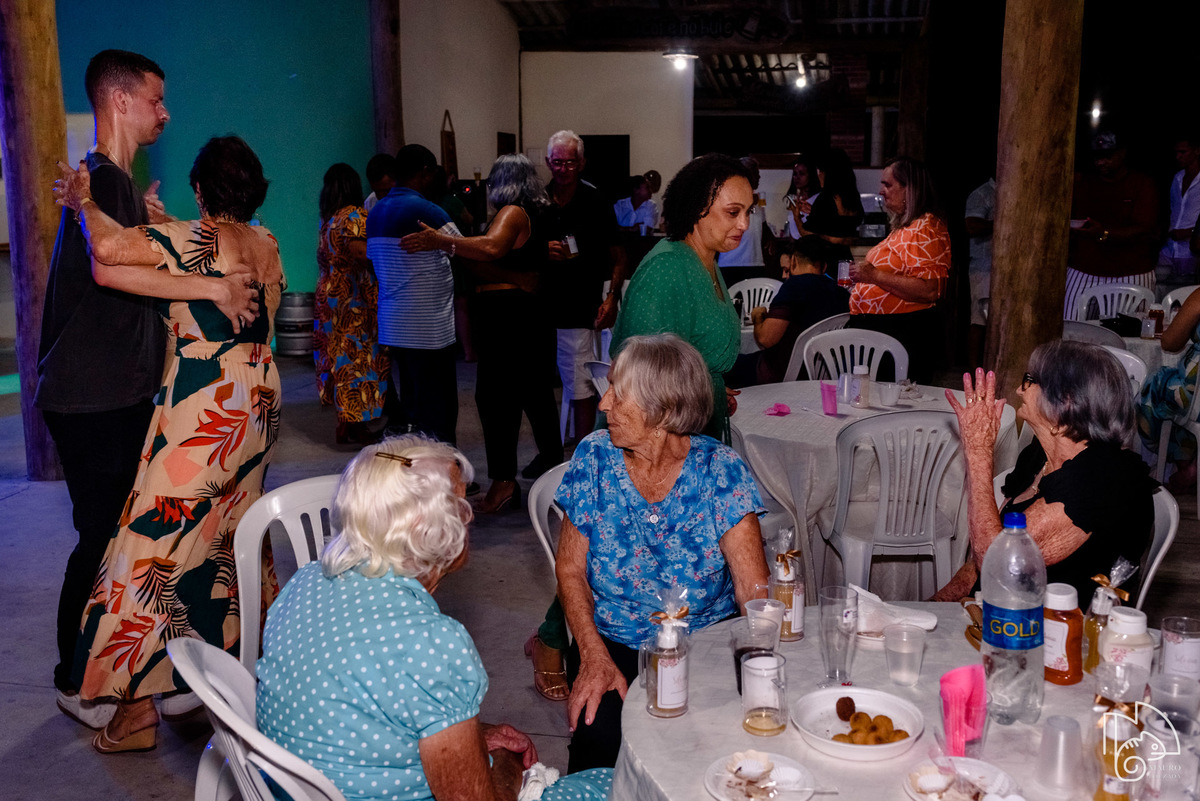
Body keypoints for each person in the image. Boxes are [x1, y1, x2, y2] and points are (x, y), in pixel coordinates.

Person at [38, 49, 254, 731]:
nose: (165, 113)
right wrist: (212, 284)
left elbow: (132, 252)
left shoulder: (114, 186)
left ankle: (146, 671)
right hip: (88, 395)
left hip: (114, 393)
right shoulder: (100, 179)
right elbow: (110, 271)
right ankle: (76, 679)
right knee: (102, 536)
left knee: (126, 540)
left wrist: (150, 225)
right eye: (156, 100)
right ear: (120, 100)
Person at [54, 135, 285, 753]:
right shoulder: (267, 243)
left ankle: (131, 712)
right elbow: (189, 266)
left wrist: (83, 201)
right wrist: (166, 228)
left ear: (202, 189)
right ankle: (217, 685)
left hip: (204, 406)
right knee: (223, 545)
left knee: (151, 547)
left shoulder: (196, 240)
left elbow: (105, 250)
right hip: (257, 403)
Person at [256, 436, 612, 801]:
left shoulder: (305, 583)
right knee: (617, 784)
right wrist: (505, 763)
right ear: (434, 532)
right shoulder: (432, 642)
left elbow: (349, 711)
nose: (469, 514)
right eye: (459, 505)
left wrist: (464, 739)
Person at [554, 334, 769, 771]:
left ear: (663, 409)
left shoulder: (720, 472)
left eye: (618, 391)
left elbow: (754, 593)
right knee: (600, 737)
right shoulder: (593, 458)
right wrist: (592, 656)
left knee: (717, 749)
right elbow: (570, 570)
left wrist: (762, 672)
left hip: (704, 646)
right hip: (613, 641)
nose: (603, 404)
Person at [933, 342, 1156, 609]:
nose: (1019, 389)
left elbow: (996, 563)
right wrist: (934, 604)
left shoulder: (1100, 479)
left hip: (1064, 633)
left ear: (1066, 400)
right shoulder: (1039, 456)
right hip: (1009, 611)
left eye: (1030, 380)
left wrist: (979, 451)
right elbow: (981, 561)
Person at [399, 154, 562, 514]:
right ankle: (557, 477)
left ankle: (504, 482)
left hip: (510, 318)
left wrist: (441, 242)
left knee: (496, 399)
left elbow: (491, 248)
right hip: (526, 315)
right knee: (535, 397)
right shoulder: (539, 212)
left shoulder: (513, 213)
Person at [611, 153, 752, 443]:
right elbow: (642, 384)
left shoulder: (707, 260)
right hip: (661, 446)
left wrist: (709, 386)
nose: (745, 225)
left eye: (748, 212)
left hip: (692, 433)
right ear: (697, 208)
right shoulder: (667, 269)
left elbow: (684, 356)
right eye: (733, 212)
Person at [367, 144, 461, 446]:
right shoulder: (426, 210)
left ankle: (416, 474)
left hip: (396, 326)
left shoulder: (375, 211)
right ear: (425, 173)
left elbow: (373, 264)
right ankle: (447, 475)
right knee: (440, 409)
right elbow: (466, 250)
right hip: (430, 327)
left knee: (413, 406)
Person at [541, 130, 628, 448]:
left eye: (570, 163)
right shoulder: (538, 200)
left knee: (580, 388)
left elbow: (618, 255)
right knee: (538, 387)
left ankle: (583, 454)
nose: (563, 169)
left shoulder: (595, 200)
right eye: (558, 162)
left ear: (582, 163)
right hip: (540, 306)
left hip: (578, 308)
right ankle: (549, 451)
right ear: (548, 162)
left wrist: (611, 297)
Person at [847, 156, 950, 384]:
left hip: (904, 332)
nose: (881, 191)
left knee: (895, 406)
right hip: (885, 331)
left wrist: (873, 275)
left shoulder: (927, 228)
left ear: (909, 189)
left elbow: (929, 290)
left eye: (888, 184)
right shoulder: (906, 227)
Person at [314, 163, 389, 444]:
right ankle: (354, 424)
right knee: (358, 361)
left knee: (339, 358)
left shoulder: (328, 220)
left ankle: (345, 424)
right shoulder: (354, 216)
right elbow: (360, 251)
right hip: (353, 297)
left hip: (330, 294)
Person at [726, 236, 850, 387]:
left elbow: (766, 339)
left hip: (780, 374)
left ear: (793, 261)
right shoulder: (842, 294)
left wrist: (757, 317)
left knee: (722, 366)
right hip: (821, 374)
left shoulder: (795, 286)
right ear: (823, 267)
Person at [1065, 130, 1159, 321]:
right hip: (1084, 269)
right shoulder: (1082, 182)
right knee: (1071, 327)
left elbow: (1144, 227)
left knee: (1123, 335)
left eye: (1107, 156)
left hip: (1130, 271)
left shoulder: (1141, 184)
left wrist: (1104, 233)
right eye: (1097, 157)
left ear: (1122, 153)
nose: (1101, 162)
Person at [1138, 286, 1200, 489]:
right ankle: (1191, 462)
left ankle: (1183, 464)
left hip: (1195, 397)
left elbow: (1170, 342)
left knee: (1156, 384)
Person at [796, 148, 864, 269]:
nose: (819, 175)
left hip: (825, 262)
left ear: (827, 172)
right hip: (845, 260)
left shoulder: (825, 199)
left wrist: (796, 215)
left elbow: (806, 234)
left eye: (820, 170)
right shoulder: (852, 197)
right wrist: (815, 211)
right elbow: (838, 224)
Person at [718, 156, 777, 285]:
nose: (758, 177)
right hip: (731, 263)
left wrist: (770, 237)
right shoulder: (730, 198)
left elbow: (762, 227)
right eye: (753, 173)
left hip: (755, 263)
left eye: (757, 173)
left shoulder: (758, 204)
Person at [1157, 135, 1200, 287]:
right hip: (1169, 247)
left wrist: (1190, 232)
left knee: (1184, 294)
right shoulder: (1178, 178)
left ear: (1196, 151)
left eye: (1183, 152)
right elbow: (1173, 211)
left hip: (1191, 250)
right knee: (1159, 289)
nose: (1178, 156)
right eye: (1176, 153)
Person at [964, 177, 996, 371]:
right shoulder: (983, 193)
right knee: (980, 321)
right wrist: (1004, 222)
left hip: (1003, 269)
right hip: (984, 266)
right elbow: (971, 225)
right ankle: (975, 372)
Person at [783, 154, 820, 240]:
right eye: (795, 174)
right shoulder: (793, 199)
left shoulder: (818, 199)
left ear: (810, 175)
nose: (797, 177)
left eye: (801, 174)